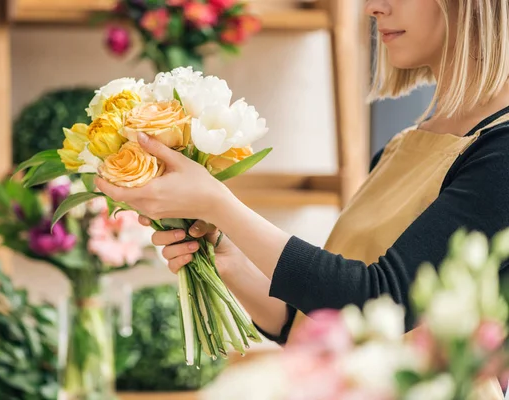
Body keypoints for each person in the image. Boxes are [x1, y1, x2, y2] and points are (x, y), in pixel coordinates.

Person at [96, 0, 509, 380]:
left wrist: (218, 203)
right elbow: (325, 327)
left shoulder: (501, 153)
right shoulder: (403, 147)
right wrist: (230, 259)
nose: (373, 7)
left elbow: (379, 299)